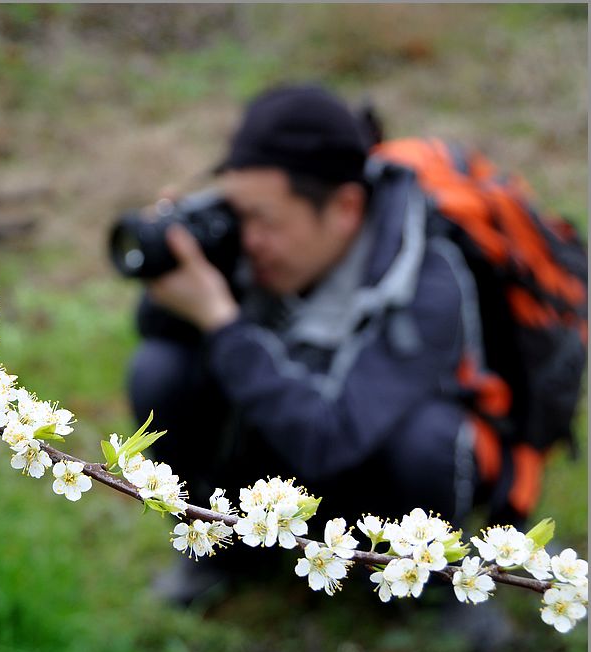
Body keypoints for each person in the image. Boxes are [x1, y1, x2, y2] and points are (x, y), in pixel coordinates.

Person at [127, 84, 515, 605]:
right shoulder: (248, 242)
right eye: (236, 213)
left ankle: (438, 583)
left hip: (376, 478)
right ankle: (219, 545)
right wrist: (178, 258)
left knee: (428, 439)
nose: (248, 238)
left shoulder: (425, 280)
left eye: (264, 219)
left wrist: (222, 321)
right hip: (279, 452)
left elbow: (331, 439)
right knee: (160, 369)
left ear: (345, 208)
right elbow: (160, 330)